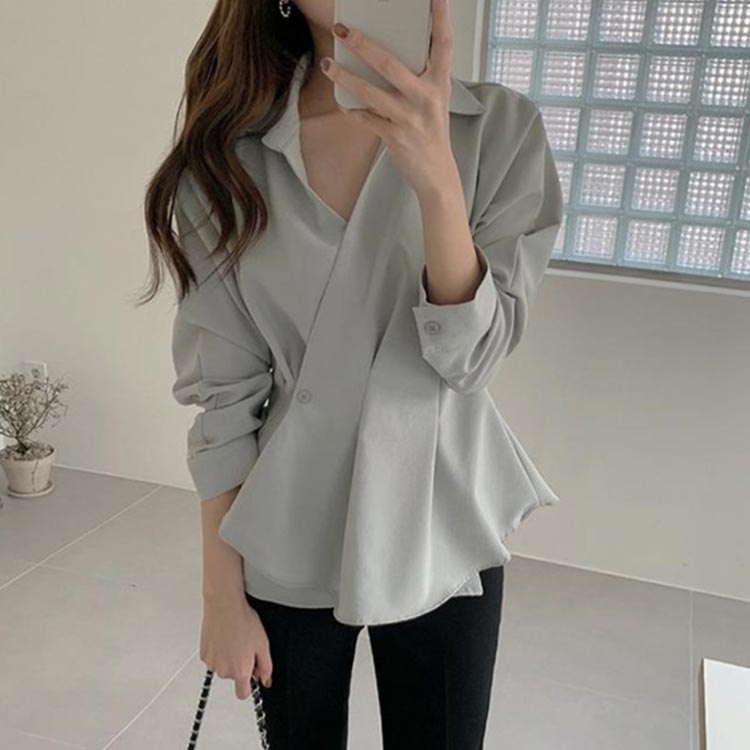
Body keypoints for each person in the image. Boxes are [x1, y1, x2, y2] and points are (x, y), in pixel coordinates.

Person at [141, 0, 563, 747]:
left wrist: (437, 180)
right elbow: (224, 399)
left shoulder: (501, 131)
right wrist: (220, 595)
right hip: (289, 525)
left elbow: (471, 359)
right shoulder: (229, 161)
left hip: (442, 521)